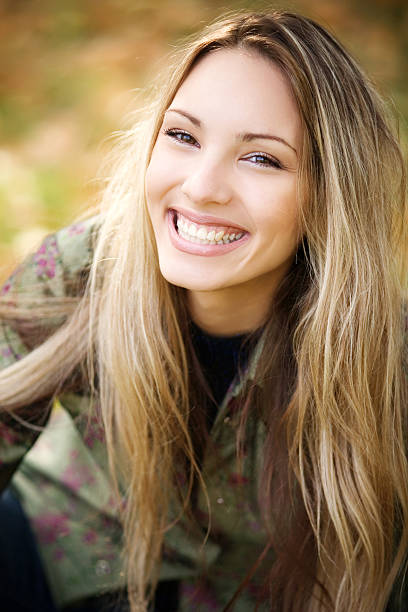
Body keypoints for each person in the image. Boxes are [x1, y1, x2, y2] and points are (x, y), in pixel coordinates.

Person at [0, 9, 407, 612]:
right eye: (184, 136)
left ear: (328, 197)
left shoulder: (389, 360)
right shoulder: (82, 269)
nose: (201, 187)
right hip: (65, 565)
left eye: (262, 158)